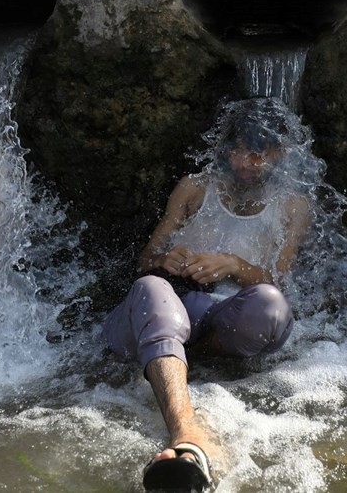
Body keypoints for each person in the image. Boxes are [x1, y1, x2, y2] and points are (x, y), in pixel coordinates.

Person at [102, 99, 312, 492]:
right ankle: (189, 435)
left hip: (224, 322)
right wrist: (167, 259)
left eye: (256, 155)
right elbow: (145, 262)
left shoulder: (293, 206)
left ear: (278, 154)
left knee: (271, 305)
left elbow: (280, 281)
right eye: (236, 152)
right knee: (150, 286)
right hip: (167, 309)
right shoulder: (195, 189)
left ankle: (178, 361)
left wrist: (235, 265)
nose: (244, 163)